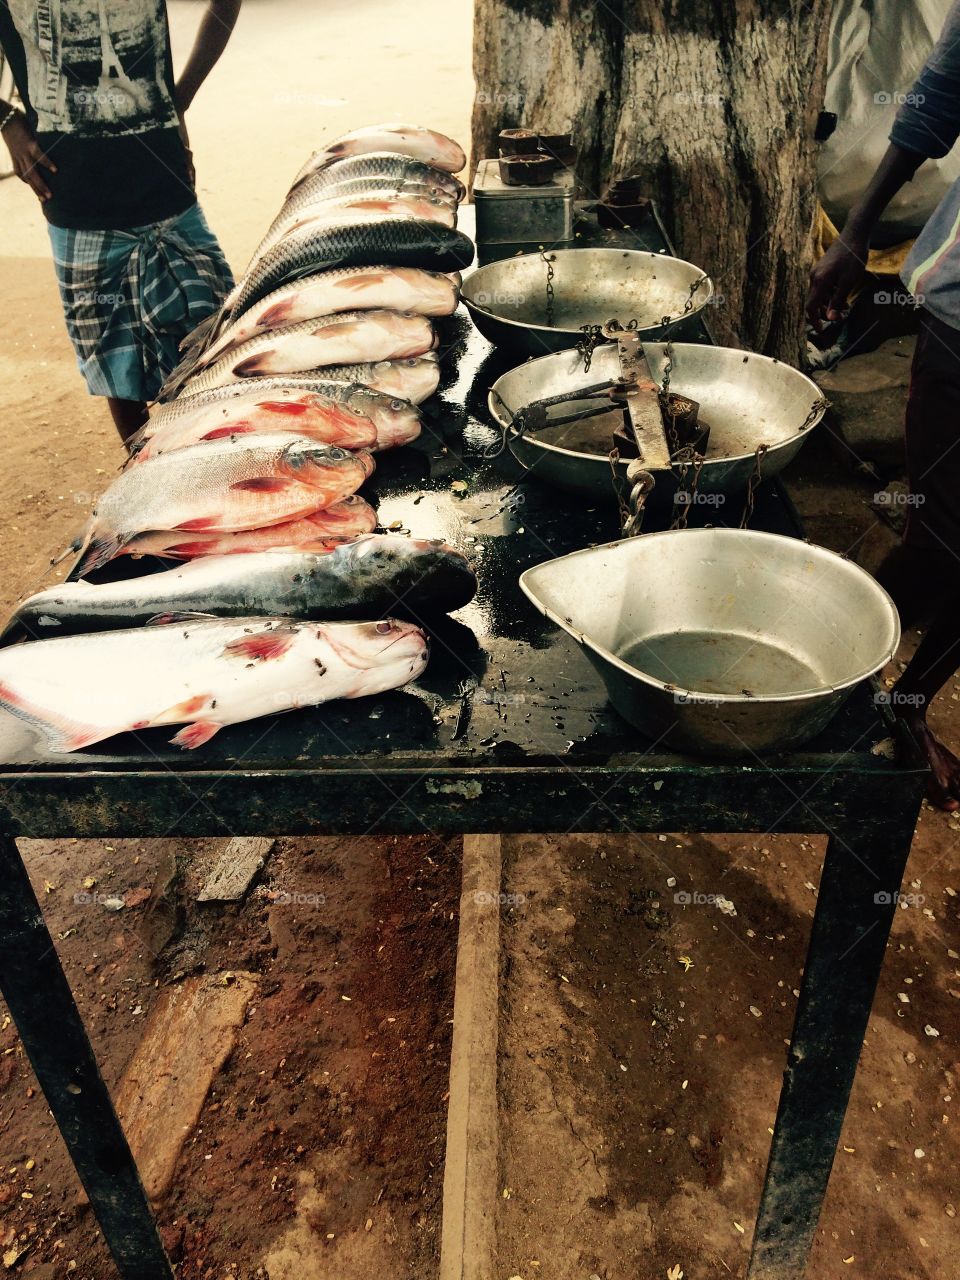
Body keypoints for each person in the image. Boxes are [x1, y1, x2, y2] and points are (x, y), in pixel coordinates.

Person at [808, 0, 960, 810]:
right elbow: (938, 100)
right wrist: (853, 236)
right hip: (959, 314)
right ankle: (850, 670)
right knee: (938, 524)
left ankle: (908, 700)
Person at [0, 0, 240, 443]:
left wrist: (177, 100)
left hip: (165, 187)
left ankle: (215, 467)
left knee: (217, 350)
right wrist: (7, 119)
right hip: (72, 198)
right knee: (116, 366)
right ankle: (142, 471)